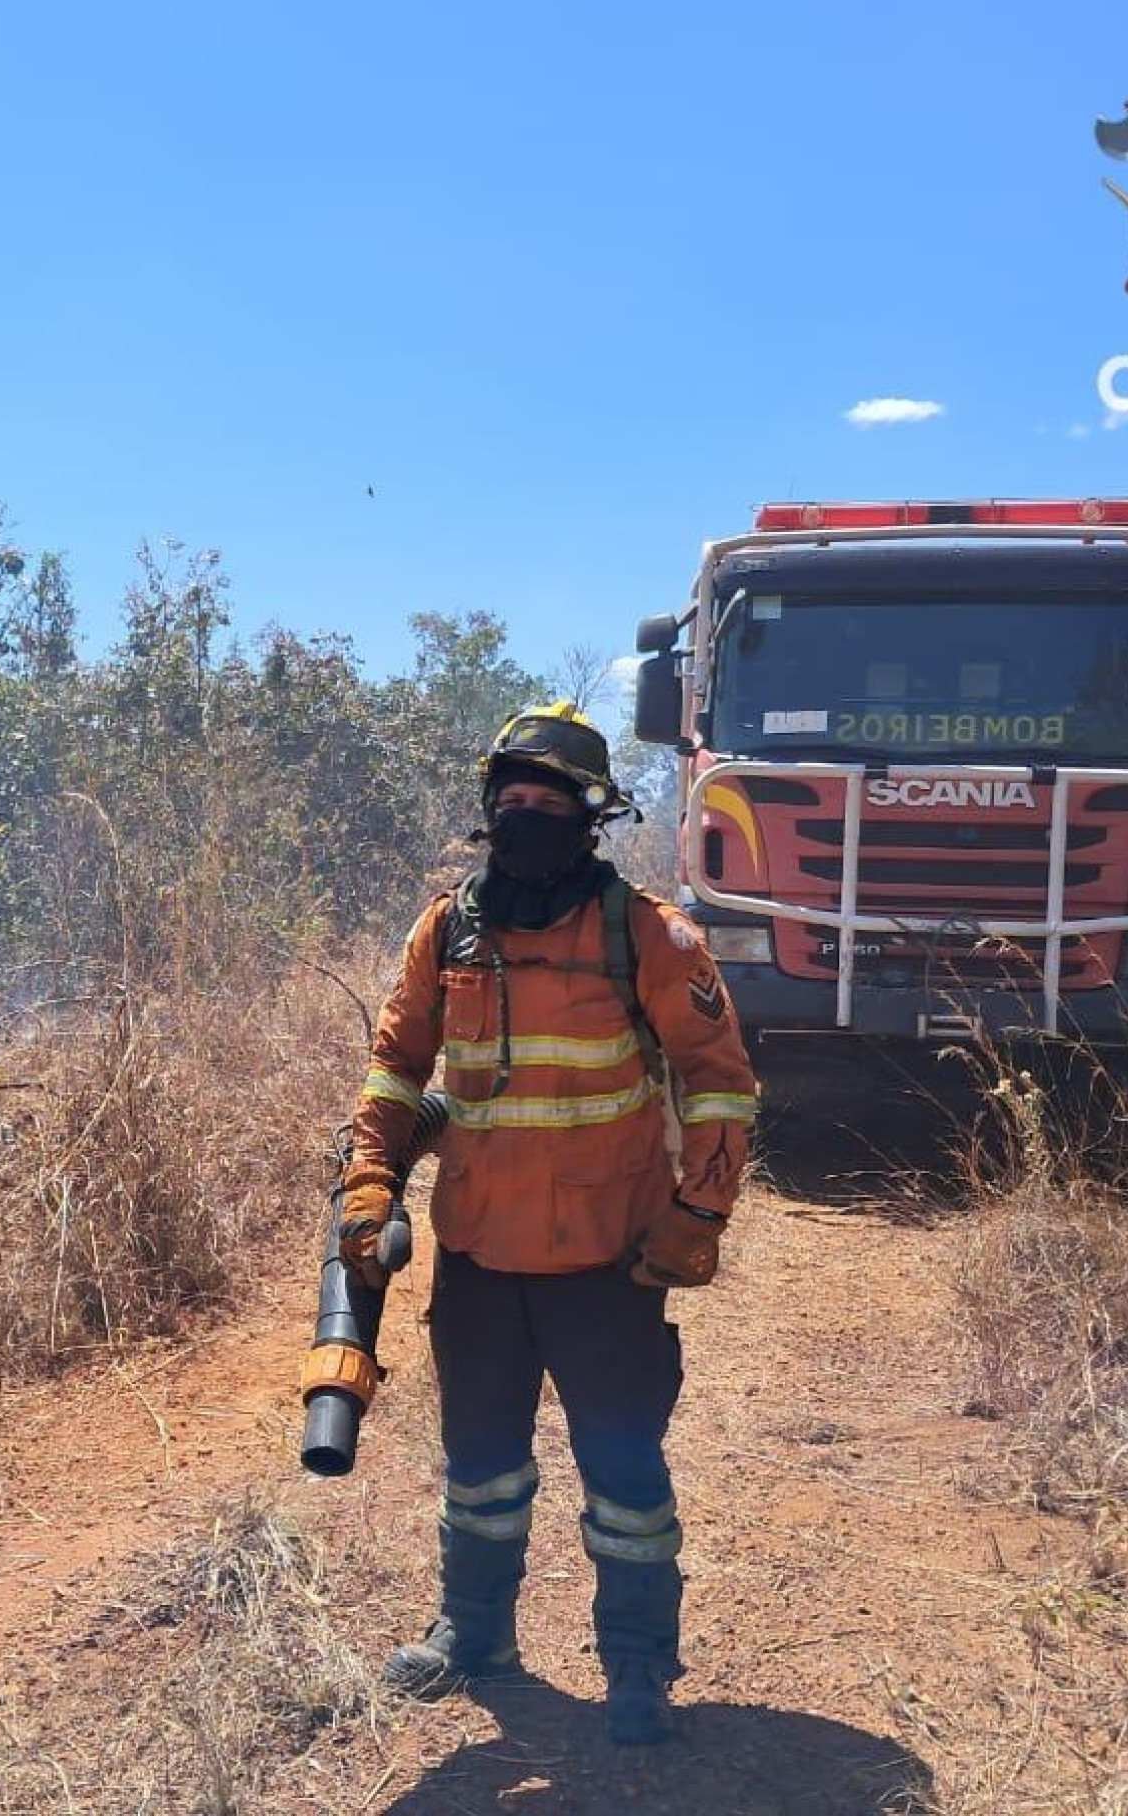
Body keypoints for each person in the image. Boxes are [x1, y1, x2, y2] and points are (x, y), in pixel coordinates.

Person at [340, 701, 758, 1745]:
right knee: (479, 1464)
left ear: (590, 815)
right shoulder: (449, 930)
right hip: (479, 1256)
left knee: (623, 1476)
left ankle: (635, 1667)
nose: (526, 815)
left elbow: (718, 1082)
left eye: (549, 799)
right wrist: (367, 1180)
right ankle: (473, 1634)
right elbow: (399, 1069)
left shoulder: (649, 936)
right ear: (488, 813)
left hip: (610, 1264)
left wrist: (698, 1212)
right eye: (509, 799)